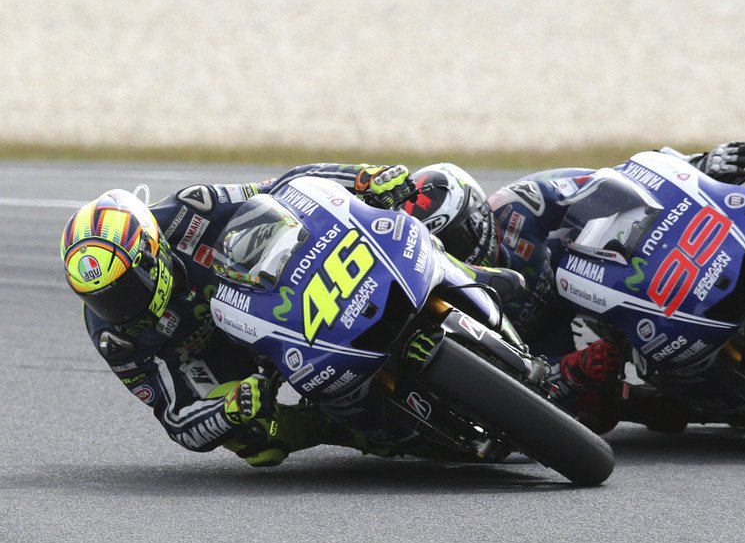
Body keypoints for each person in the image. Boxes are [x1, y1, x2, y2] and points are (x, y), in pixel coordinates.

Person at [60, 162, 457, 467]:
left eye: (126, 288)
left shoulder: (192, 207)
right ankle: (354, 429)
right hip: (219, 354)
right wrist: (228, 408)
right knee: (256, 442)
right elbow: (176, 417)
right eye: (101, 300)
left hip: (274, 293)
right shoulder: (114, 337)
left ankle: (463, 278)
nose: (118, 309)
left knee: (406, 215)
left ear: (151, 251)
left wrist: (362, 178)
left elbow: (287, 187)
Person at [410, 143, 745, 432]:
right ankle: (648, 401)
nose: (460, 250)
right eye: (446, 246)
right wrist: (573, 369)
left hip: (593, 274)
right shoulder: (449, 294)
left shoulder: (518, 203)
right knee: (596, 413)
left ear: (477, 211)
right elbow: (489, 374)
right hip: (537, 343)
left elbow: (619, 182)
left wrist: (698, 164)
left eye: (459, 235)